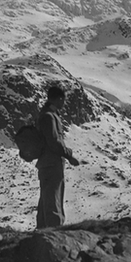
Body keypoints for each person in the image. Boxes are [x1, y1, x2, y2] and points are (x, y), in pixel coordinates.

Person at [35, 84, 80, 229]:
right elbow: (54, 141)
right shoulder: (49, 117)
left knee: (46, 197)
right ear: (59, 99)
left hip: (47, 163)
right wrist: (68, 155)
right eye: (63, 100)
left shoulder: (46, 115)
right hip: (52, 163)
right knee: (53, 198)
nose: (64, 103)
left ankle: (42, 231)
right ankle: (54, 231)